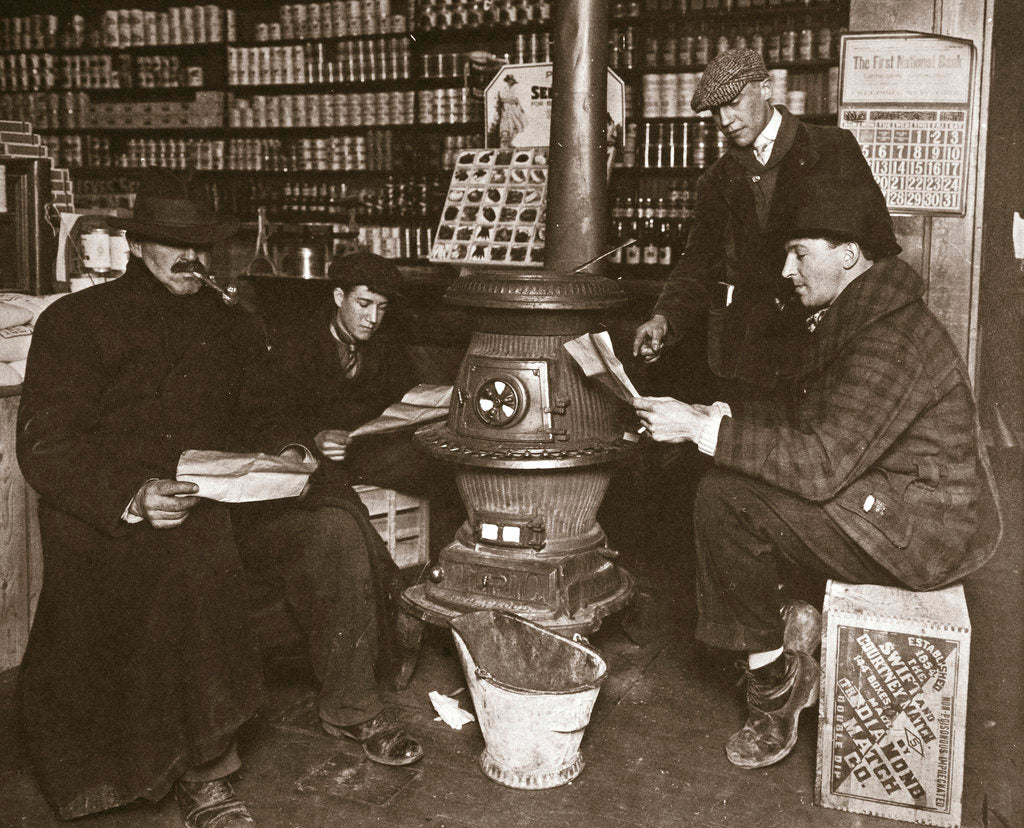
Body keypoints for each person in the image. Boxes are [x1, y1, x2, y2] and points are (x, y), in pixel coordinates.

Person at [15, 169, 419, 828]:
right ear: (137, 244)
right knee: (194, 554)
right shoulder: (76, 322)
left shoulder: (229, 322)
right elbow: (46, 445)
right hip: (122, 516)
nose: (192, 259)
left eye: (201, 246)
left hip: (223, 499)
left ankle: (351, 707)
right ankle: (207, 771)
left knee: (331, 529)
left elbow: (264, 410)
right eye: (176, 244)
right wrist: (134, 494)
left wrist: (289, 447)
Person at [630, 178, 1001, 771]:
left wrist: (703, 431)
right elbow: (815, 422)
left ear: (848, 255)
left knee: (726, 498)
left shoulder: (890, 335)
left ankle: (776, 689)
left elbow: (823, 462)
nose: (787, 270)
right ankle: (789, 632)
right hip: (892, 499)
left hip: (922, 532)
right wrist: (717, 417)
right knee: (727, 476)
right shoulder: (866, 312)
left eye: (800, 253)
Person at [632, 48, 898, 400]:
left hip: (821, 345)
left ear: (766, 89)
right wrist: (664, 318)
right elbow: (698, 261)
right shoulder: (716, 179)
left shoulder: (832, 148)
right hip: (746, 356)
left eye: (734, 103)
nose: (725, 120)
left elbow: (878, 246)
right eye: (716, 111)